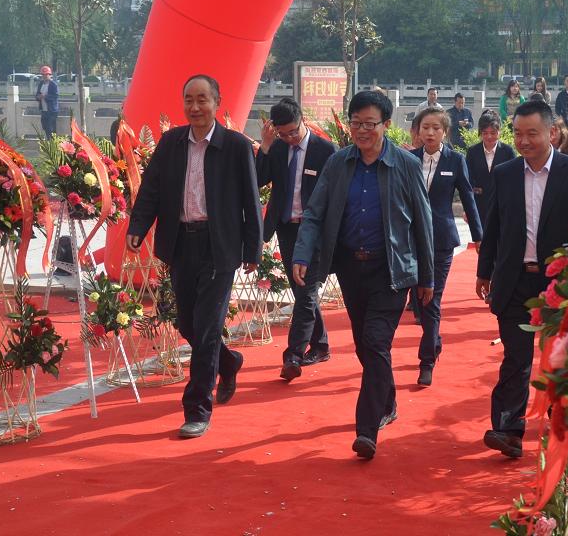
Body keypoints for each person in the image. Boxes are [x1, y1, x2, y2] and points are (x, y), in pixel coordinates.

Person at [292, 90, 434, 459]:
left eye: (370, 124)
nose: (362, 130)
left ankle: (366, 430)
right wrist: (303, 252)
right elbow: (315, 212)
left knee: (374, 342)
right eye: (356, 123)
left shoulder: (405, 165)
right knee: (366, 345)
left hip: (392, 270)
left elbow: (423, 223)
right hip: (351, 269)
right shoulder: (338, 163)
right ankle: (387, 401)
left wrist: (427, 278)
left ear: (386, 125)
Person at [126, 74, 263, 439]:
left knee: (206, 329)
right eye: (189, 99)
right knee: (188, 324)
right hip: (181, 244)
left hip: (220, 247)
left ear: (217, 102)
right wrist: (138, 226)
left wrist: (253, 249)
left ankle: (197, 408)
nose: (195, 106)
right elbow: (151, 189)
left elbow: (251, 200)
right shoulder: (171, 143)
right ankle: (228, 360)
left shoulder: (235, 146)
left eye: (203, 99)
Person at [476, 100, 568, 459]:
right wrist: (484, 271)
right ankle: (508, 430)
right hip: (514, 279)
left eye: (532, 133)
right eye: (518, 134)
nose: (524, 141)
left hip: (559, 282)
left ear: (552, 133)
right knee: (516, 356)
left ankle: (560, 427)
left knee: (560, 357)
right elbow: (493, 226)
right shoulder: (505, 174)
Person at [256, 97, 337, 382]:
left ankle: (293, 355)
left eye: (293, 131)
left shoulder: (325, 150)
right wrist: (265, 146)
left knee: (305, 291)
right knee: (301, 290)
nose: (290, 138)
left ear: (302, 120)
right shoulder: (277, 148)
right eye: (283, 134)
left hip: (313, 231)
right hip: (287, 228)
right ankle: (321, 345)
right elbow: (257, 180)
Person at [409, 107, 482, 387]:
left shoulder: (456, 160)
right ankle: (434, 340)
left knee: (432, 299)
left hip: (441, 240)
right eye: (425, 127)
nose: (430, 133)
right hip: (411, 239)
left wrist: (479, 237)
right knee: (417, 301)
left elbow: (468, 199)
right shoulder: (409, 159)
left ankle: (426, 361)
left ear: (445, 132)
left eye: (436, 128)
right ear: (418, 131)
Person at [466, 110, 516, 227]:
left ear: (499, 132)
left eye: (493, 133)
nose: (489, 136)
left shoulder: (508, 151)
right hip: (479, 204)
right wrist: (467, 208)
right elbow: (468, 179)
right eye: (485, 133)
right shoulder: (472, 152)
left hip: (502, 203)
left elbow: (513, 179)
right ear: (480, 132)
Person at [35, 65, 60, 137]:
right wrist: (38, 97)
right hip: (44, 110)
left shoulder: (53, 85)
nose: (44, 76)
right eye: (43, 75)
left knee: (51, 129)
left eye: (46, 74)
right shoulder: (41, 84)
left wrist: (45, 96)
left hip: (51, 111)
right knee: (45, 127)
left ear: (50, 75)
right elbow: (37, 94)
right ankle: (48, 142)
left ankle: (52, 143)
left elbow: (55, 96)